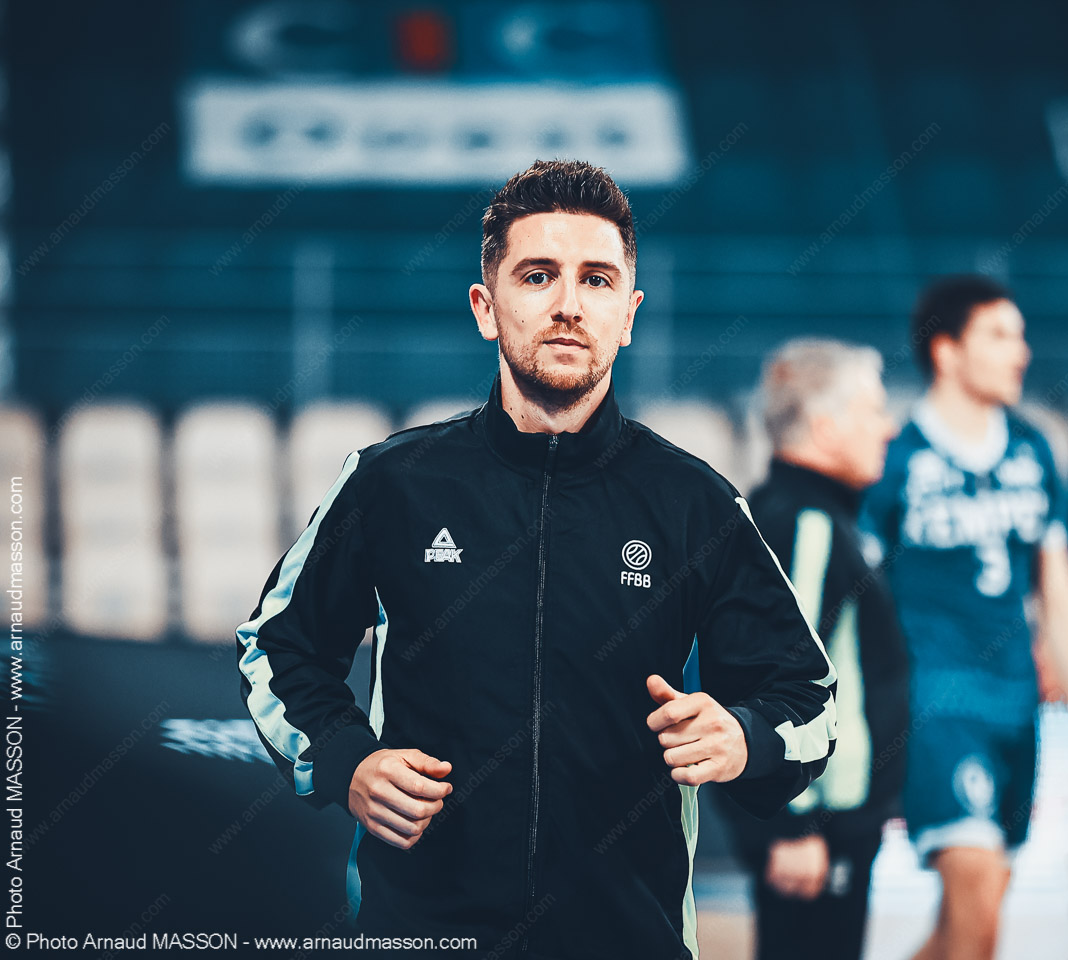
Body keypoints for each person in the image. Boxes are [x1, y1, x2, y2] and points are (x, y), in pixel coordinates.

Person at [234, 159, 837, 960]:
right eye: (538, 275)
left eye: (597, 280)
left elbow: (809, 696)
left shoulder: (696, 504)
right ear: (487, 307)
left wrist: (745, 736)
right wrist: (346, 761)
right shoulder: (392, 483)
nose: (568, 305)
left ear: (629, 314)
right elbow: (275, 644)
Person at [859, 275, 1068, 960]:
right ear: (946, 352)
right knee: (975, 903)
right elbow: (852, 598)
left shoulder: (1033, 450)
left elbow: (1059, 597)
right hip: (934, 705)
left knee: (968, 927)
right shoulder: (895, 459)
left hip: (1017, 707)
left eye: (1021, 336)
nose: (1022, 352)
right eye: (1000, 336)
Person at [719, 338, 909, 960]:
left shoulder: (805, 516)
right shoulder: (807, 525)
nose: (888, 427)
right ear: (825, 426)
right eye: (873, 410)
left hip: (823, 824)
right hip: (816, 828)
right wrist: (791, 825)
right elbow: (778, 681)